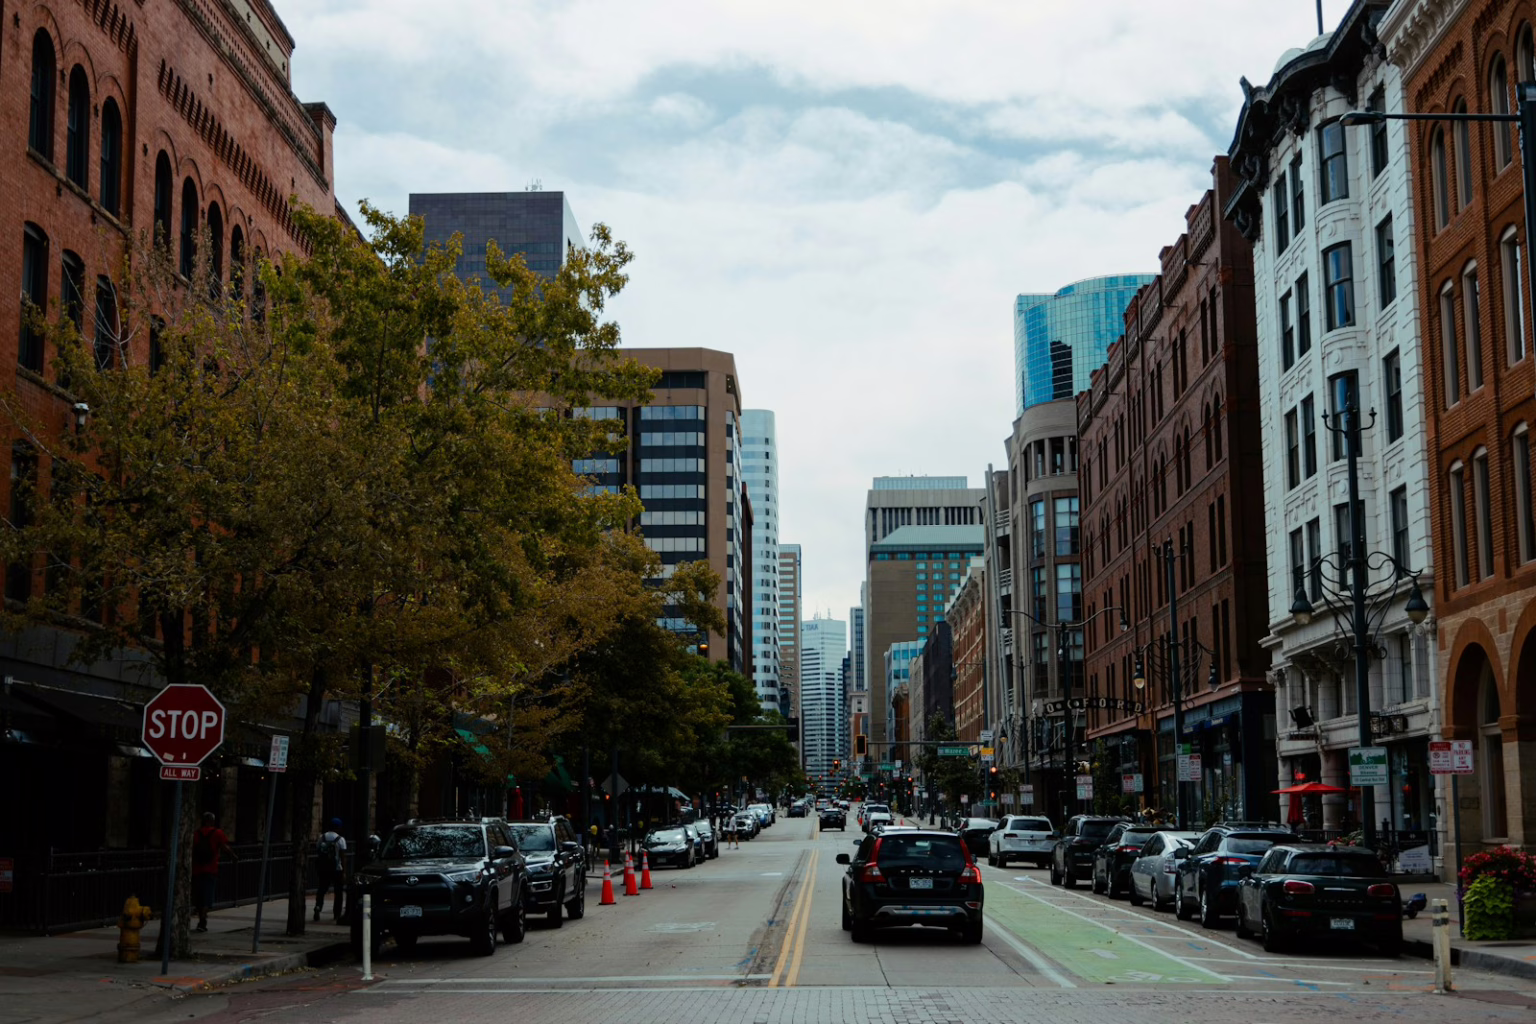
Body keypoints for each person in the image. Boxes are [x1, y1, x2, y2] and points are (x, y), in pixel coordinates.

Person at [191, 811, 239, 932]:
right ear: (212, 821)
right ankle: (203, 920)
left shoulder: (196, 834)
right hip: (210, 869)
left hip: (196, 869)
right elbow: (224, 847)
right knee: (207, 896)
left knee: (199, 895)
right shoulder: (217, 833)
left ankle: (201, 916)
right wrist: (233, 856)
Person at [314, 818, 348, 924]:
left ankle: (318, 906)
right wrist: (344, 872)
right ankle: (336, 913)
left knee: (322, 890)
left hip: (324, 869)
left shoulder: (322, 837)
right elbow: (343, 857)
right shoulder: (340, 839)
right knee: (338, 892)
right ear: (338, 827)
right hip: (337, 869)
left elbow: (318, 851)